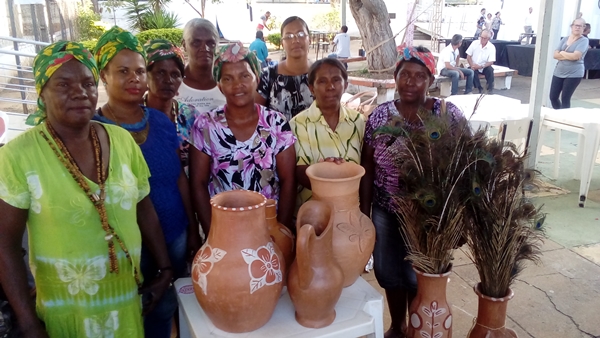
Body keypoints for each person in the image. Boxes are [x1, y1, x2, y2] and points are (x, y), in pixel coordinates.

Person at [0, 41, 172, 337]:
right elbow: (5, 244)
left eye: (88, 83)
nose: (80, 92)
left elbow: (145, 209)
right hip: (65, 312)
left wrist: (165, 270)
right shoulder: (18, 155)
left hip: (126, 303)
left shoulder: (121, 140)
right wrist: (28, 323)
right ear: (42, 92)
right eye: (63, 84)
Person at [92, 26, 198, 338]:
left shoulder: (161, 122)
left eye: (138, 71)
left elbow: (179, 178)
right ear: (103, 77)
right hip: (126, 247)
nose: (134, 79)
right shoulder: (94, 131)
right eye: (122, 71)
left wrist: (191, 228)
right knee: (131, 313)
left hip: (174, 233)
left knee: (167, 308)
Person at [359, 45, 463, 338]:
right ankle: (397, 325)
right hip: (385, 208)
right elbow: (367, 165)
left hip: (428, 213)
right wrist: (364, 214)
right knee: (387, 271)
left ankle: (418, 326)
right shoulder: (379, 116)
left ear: (430, 80)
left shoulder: (448, 115)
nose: (411, 82)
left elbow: (466, 164)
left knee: (416, 274)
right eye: (405, 75)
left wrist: (459, 217)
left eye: (419, 76)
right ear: (395, 77)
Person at [190, 42, 297, 234]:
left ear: (256, 79)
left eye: (245, 76)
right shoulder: (206, 125)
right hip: (224, 228)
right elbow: (198, 183)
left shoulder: (276, 123)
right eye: (228, 78)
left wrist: (280, 231)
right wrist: (212, 234)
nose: (237, 85)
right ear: (219, 85)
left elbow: (289, 180)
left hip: (267, 227)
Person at [290, 58, 365, 207]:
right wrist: (323, 171)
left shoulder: (359, 122)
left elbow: (365, 167)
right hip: (312, 213)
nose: (330, 86)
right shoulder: (298, 124)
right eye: (322, 81)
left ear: (345, 86)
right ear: (312, 88)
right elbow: (298, 171)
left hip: (350, 209)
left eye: (336, 80)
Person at [143, 39, 202, 176]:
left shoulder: (191, 116)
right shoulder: (134, 116)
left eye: (175, 75)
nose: (168, 80)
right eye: (160, 73)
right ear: (146, 75)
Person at [256, 16, 314, 121]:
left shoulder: (322, 73)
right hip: (276, 137)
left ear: (309, 39)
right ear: (282, 43)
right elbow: (256, 115)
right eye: (289, 36)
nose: (295, 40)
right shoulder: (268, 76)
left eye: (301, 34)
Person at [176, 18, 226, 112]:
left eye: (211, 43)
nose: (204, 48)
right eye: (196, 43)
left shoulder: (228, 83)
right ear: (184, 45)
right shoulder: (174, 84)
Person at [550, 18, 589, 109]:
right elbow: (555, 55)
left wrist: (562, 53)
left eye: (580, 26)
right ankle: (559, 115)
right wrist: (567, 55)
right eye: (576, 25)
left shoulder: (584, 40)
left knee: (565, 98)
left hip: (574, 73)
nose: (577, 28)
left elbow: (576, 56)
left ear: (584, 28)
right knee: (553, 97)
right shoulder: (565, 39)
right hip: (559, 71)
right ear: (572, 26)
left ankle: (564, 119)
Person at [467, 29, 496, 94]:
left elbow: (491, 61)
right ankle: (479, 88)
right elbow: (468, 56)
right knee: (472, 71)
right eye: (481, 37)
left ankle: (490, 88)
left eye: (484, 38)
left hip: (484, 66)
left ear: (488, 39)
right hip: (473, 64)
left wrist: (481, 66)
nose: (482, 39)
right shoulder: (474, 43)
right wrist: (472, 65)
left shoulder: (491, 47)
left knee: (490, 70)